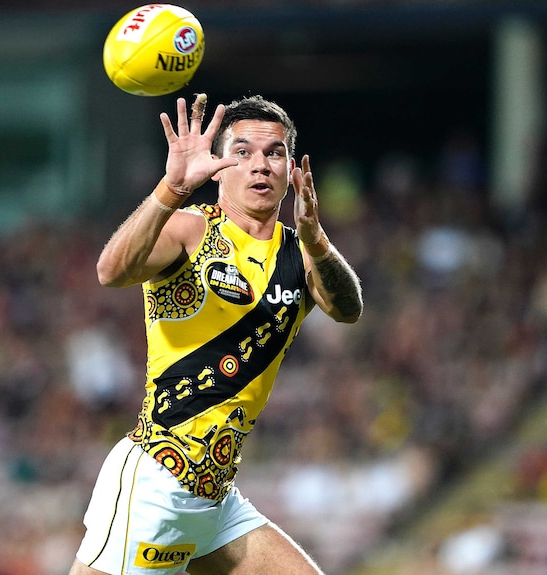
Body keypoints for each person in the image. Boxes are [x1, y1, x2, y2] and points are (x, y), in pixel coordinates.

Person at [69, 93, 363, 575]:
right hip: (158, 482)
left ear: (291, 170)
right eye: (243, 152)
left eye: (275, 153)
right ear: (220, 167)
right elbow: (111, 271)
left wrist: (317, 240)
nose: (260, 165)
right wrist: (171, 187)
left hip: (217, 498)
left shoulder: (300, 253)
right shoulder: (190, 229)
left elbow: (347, 309)